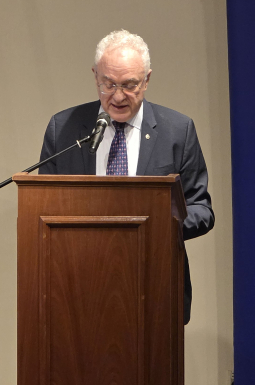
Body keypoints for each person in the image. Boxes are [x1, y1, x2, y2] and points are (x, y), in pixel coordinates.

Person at [39, 29, 214, 324]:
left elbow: (202, 210)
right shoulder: (65, 128)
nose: (118, 96)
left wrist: (157, 221)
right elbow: (43, 207)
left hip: (155, 290)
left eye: (129, 85)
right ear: (95, 76)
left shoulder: (177, 131)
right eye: (108, 84)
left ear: (146, 80)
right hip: (78, 290)